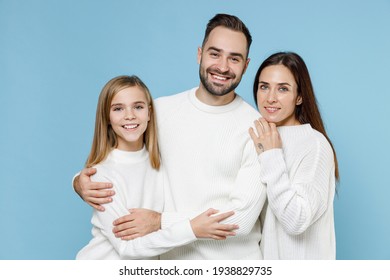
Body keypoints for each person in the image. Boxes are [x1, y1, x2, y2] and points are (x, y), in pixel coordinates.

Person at [74, 14, 266, 260]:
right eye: (215, 54)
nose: (223, 66)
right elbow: (122, 157)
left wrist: (160, 220)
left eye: (234, 58)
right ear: (200, 54)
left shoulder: (257, 129)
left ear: (246, 65)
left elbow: (241, 219)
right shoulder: (159, 110)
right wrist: (80, 181)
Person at [76, 75, 239, 260]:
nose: (129, 115)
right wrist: (191, 229)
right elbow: (128, 247)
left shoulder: (161, 160)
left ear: (149, 112)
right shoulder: (101, 177)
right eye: (118, 108)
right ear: (107, 116)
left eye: (138, 107)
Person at [249, 52, 339, 259]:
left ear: (299, 96)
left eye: (283, 88)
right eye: (264, 86)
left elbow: (296, 220)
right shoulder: (258, 135)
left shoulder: (315, 145)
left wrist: (272, 155)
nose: (270, 98)